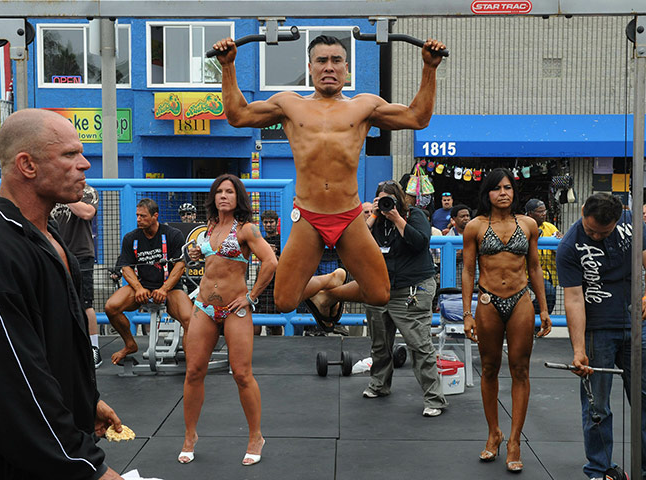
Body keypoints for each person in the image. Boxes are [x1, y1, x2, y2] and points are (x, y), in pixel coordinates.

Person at [212, 34, 447, 332]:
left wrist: (429, 68)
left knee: (379, 294)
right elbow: (238, 116)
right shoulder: (289, 104)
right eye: (322, 60)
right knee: (284, 301)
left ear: (347, 69)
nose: (329, 67)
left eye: (336, 61)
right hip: (308, 216)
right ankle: (328, 281)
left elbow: (417, 118)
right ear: (309, 67)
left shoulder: (363, 106)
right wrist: (228, 65)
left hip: (348, 215)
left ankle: (331, 291)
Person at [0, 108, 124, 479]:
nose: (83, 164)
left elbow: (50, 348)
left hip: (59, 452)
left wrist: (86, 400)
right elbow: (13, 392)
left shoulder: (50, 238)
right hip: (20, 464)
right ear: (27, 165)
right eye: (69, 155)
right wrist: (92, 469)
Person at [461, 168, 552, 473]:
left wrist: (543, 308)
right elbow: (469, 271)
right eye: (497, 188)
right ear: (487, 193)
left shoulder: (528, 225)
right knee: (488, 367)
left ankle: (514, 440)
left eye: (508, 187)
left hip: (521, 299)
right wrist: (467, 312)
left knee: (520, 368)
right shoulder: (474, 226)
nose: (503, 192)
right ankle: (493, 433)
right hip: (487, 300)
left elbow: (535, 267)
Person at [183, 174, 277, 466]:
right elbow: (210, 263)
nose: (224, 196)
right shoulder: (210, 228)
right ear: (213, 197)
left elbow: (271, 261)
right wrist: (197, 253)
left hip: (236, 309)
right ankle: (190, 436)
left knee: (241, 374)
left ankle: (255, 436)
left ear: (239, 198)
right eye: (219, 192)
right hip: (204, 308)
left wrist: (251, 296)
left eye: (230, 192)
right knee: (194, 372)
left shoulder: (246, 230)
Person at [556, 193, 646, 480]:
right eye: (591, 229)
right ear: (583, 211)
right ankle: (599, 469)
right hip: (597, 328)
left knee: (644, 398)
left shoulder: (632, 224)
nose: (595, 235)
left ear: (618, 221)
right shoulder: (569, 246)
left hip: (637, 323)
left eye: (602, 232)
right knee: (597, 406)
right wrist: (578, 349)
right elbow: (573, 299)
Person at [363, 180, 448, 417]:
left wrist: (396, 217)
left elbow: (420, 242)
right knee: (379, 343)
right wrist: (374, 215)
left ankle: (434, 398)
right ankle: (379, 384)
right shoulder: (376, 221)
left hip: (413, 290)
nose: (386, 205)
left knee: (419, 344)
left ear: (400, 200)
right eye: (381, 200)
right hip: (381, 289)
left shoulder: (415, 215)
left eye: (390, 199)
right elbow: (357, 242)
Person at [104, 198, 193, 365]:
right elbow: (126, 267)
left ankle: (192, 361)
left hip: (170, 289)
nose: (138, 219)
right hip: (143, 286)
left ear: (155, 216)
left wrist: (164, 289)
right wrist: (138, 288)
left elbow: (180, 266)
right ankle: (130, 344)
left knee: (190, 319)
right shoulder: (131, 238)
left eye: (143, 216)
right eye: (137, 215)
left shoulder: (173, 235)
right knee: (111, 307)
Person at [51, 185, 103, 368]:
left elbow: (87, 213)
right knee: (55, 301)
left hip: (81, 253)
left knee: (85, 302)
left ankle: (93, 348)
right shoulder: (51, 189)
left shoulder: (87, 191)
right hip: (54, 251)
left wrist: (65, 195)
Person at [525, 198, 562, 314]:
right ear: (530, 214)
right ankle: (525, 319)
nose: (544, 214)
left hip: (551, 273)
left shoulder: (550, 227)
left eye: (544, 211)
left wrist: (560, 240)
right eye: (540, 211)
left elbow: (559, 248)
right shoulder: (522, 226)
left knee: (548, 300)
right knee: (549, 294)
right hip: (530, 273)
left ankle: (532, 327)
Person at [255, 209, 282, 336]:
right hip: (261, 284)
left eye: (271, 222)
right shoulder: (261, 241)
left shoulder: (283, 240)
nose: (268, 225)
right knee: (255, 319)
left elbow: (285, 264)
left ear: (276, 223)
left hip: (276, 284)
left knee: (275, 322)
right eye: (266, 222)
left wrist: (272, 255)